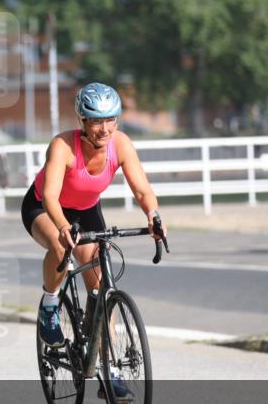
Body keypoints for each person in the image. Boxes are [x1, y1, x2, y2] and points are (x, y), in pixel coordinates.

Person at [21, 82, 167, 351]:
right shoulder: (63, 145)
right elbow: (50, 196)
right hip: (44, 207)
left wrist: (153, 215)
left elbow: (142, 190)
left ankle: (107, 366)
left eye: (111, 120)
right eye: (97, 121)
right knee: (60, 245)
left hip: (86, 210)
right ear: (83, 121)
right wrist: (63, 226)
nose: (105, 129)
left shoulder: (120, 144)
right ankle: (50, 306)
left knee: (101, 291)